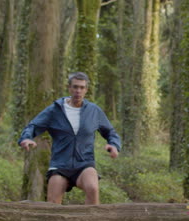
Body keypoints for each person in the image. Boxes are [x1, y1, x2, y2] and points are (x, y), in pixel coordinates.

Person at [18, 72, 121, 205]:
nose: (78, 91)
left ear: (86, 90)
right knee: (52, 202)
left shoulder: (93, 111)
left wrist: (114, 145)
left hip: (84, 162)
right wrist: (26, 138)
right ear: (69, 88)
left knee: (93, 188)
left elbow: (110, 132)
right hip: (60, 164)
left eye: (82, 87)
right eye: (75, 87)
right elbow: (34, 125)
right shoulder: (55, 110)